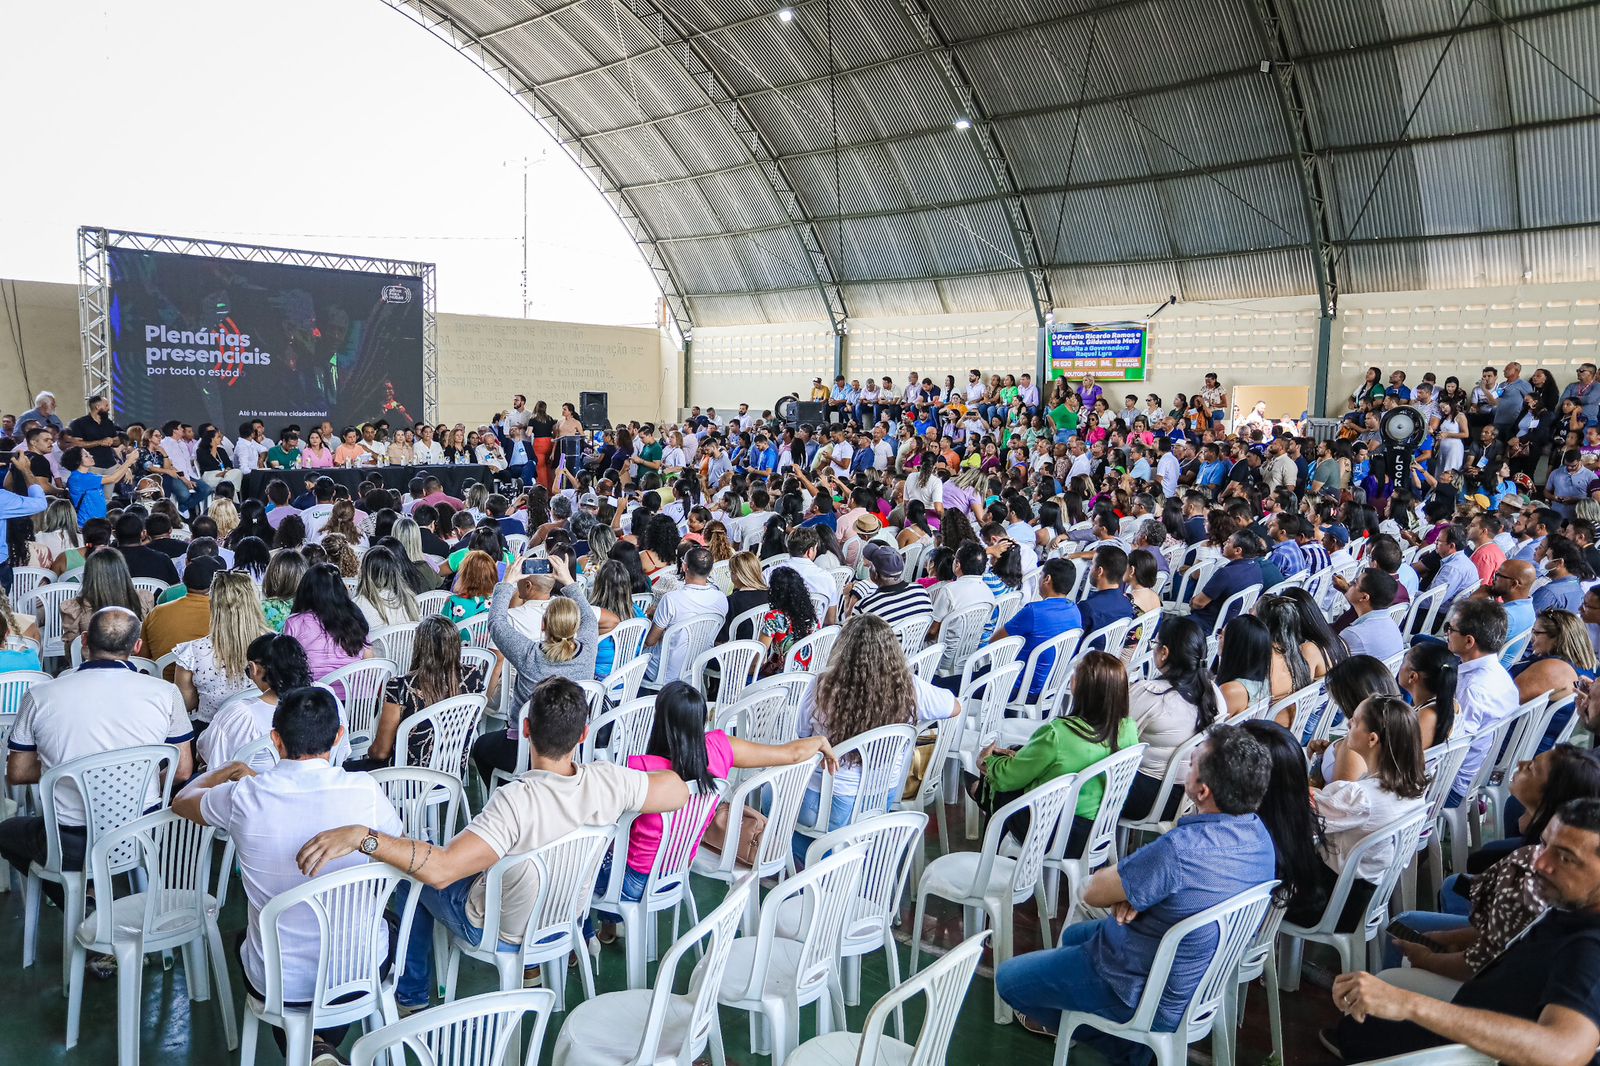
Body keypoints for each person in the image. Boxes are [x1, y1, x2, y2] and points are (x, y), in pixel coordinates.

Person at [295, 675, 690, 1014]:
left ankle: (412, 993)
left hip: (501, 926)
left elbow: (441, 870)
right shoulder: (608, 780)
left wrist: (364, 837)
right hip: (566, 912)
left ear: (528, 731)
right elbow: (676, 790)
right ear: (584, 734)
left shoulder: (515, 801)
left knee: (406, 873)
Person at [995, 724, 1276, 1055]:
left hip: (1140, 989)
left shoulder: (1180, 851)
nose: (1188, 764)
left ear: (1202, 792)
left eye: (1193, 762)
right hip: (1193, 980)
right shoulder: (1260, 839)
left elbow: (1093, 892)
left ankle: (1131, 1047)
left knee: (1009, 980)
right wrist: (1140, 894)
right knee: (1072, 937)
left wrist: (1129, 890)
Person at [173, 686, 400, 1065]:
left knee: (246, 941)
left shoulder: (244, 796)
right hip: (359, 973)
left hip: (281, 984)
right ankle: (318, 1047)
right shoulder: (366, 790)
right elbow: (398, 851)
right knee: (386, 921)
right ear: (339, 737)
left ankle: (311, 1048)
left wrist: (226, 771)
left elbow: (182, 800)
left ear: (275, 739)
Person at [1328, 798, 1600, 1065]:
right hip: (1477, 1006)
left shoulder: (1590, 949)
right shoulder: (1571, 904)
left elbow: (1563, 1052)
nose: (1540, 863)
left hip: (1473, 1050)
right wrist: (1452, 941)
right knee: (1364, 1014)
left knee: (1357, 1030)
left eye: (1566, 857)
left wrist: (1406, 1003)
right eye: (1544, 844)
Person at [589, 681, 839, 946]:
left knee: (582, 864)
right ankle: (609, 927)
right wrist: (820, 741)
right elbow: (788, 754)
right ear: (700, 720)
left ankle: (597, 931)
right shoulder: (721, 747)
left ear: (659, 720)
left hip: (633, 883)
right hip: (676, 867)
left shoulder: (640, 768)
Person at [0, 609, 195, 915]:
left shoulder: (41, 695)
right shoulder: (165, 693)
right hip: (142, 835)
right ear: (137, 647)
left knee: (7, 832)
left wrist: (70, 768)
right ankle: (93, 901)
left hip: (70, 843)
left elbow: (18, 772)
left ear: (85, 642)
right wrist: (129, 780)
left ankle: (81, 902)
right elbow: (183, 771)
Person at [793, 614, 960, 863]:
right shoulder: (910, 687)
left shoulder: (821, 686)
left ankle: (816, 864)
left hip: (829, 803)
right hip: (881, 796)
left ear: (842, 648)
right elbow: (954, 707)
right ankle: (841, 861)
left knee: (770, 798)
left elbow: (803, 735)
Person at [974, 651, 1139, 854]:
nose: (1072, 677)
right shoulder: (1128, 729)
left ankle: (989, 858)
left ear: (1083, 688)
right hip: (1099, 828)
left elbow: (1008, 778)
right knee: (1016, 761)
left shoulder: (1058, 733)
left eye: (1076, 674)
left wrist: (987, 761)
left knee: (998, 787)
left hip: (1051, 829)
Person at [472, 554, 598, 782]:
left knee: (480, 747)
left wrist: (507, 583)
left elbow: (496, 622)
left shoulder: (529, 654)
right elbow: (589, 617)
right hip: (570, 746)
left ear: (543, 624)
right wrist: (568, 581)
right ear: (576, 626)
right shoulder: (588, 650)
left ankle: (507, 790)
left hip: (525, 750)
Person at [347, 616, 490, 773]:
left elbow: (381, 753)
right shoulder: (473, 676)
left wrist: (369, 752)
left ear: (420, 645)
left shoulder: (401, 686)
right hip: (451, 775)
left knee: (341, 770)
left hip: (403, 780)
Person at [1126, 617, 1225, 820]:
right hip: (1190, 795)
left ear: (1164, 653)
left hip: (1146, 797)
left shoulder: (1151, 694)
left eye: (1156, 644)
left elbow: (1113, 738)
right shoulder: (1213, 692)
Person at [197, 633, 315, 771]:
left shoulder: (241, 714)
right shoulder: (327, 699)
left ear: (253, 668)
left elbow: (208, 756)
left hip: (255, 790)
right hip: (316, 786)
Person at [1444, 598, 1521, 804]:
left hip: (1452, 786)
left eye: (1450, 629)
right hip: (1480, 774)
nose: (1447, 634)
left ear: (1469, 641)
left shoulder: (1472, 688)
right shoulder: (1500, 675)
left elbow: (1454, 750)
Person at [173, 571, 271, 726]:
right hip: (265, 732)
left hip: (210, 731)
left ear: (213, 604)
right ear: (255, 601)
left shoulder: (192, 653)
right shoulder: (276, 644)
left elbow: (185, 704)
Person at [992, 557, 1083, 700]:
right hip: (1050, 687)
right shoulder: (1075, 611)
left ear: (1047, 579)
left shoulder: (1034, 611)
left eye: (1041, 575)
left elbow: (995, 642)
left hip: (1016, 687)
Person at [642, 545, 727, 685]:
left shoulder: (671, 599)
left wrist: (652, 619)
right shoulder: (721, 598)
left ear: (684, 567)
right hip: (695, 669)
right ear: (711, 570)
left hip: (663, 673)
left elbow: (650, 641)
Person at [281, 563, 372, 680]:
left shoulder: (295, 622)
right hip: (360, 696)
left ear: (305, 590)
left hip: (313, 696)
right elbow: (370, 663)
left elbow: (286, 665)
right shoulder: (355, 618)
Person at [55, 546, 154, 651]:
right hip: (137, 665)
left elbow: (72, 651)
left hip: (92, 665)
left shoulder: (76, 608)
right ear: (123, 571)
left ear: (89, 575)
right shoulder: (142, 600)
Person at [141, 555, 224, 660]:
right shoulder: (223, 615)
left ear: (184, 581)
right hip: (207, 675)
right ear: (218, 584)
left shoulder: (156, 613)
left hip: (159, 676)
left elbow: (143, 656)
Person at [1340, 568, 1404, 662]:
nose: (1349, 584)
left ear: (1364, 597)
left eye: (1354, 583)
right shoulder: (1392, 624)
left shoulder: (1354, 635)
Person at [1077, 544, 1135, 639]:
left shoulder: (1087, 607)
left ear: (1100, 571)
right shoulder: (1128, 605)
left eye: (1092, 565)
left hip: (1089, 653)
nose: (1090, 569)